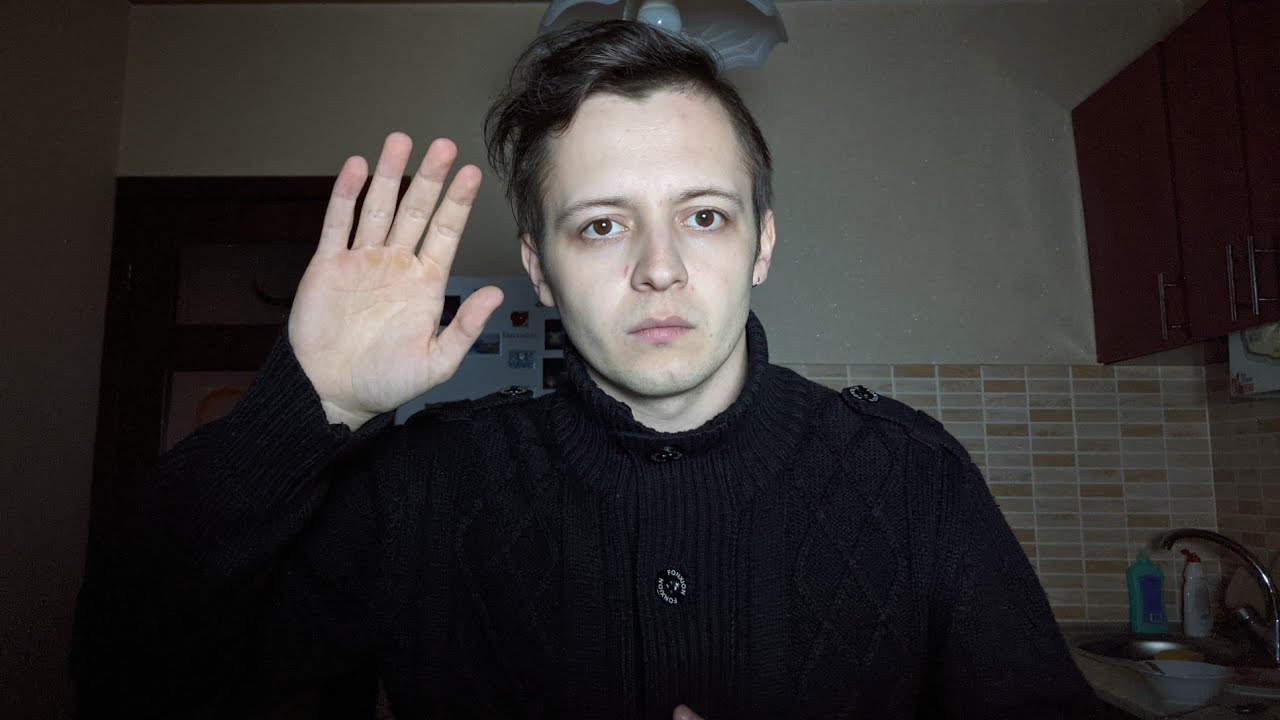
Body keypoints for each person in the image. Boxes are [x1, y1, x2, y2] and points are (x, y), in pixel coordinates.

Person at [71, 19, 1103, 720]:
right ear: (540, 269)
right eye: (603, 225)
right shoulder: (422, 489)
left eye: (704, 216)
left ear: (761, 244)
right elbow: (130, 680)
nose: (659, 268)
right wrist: (309, 409)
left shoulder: (911, 479)